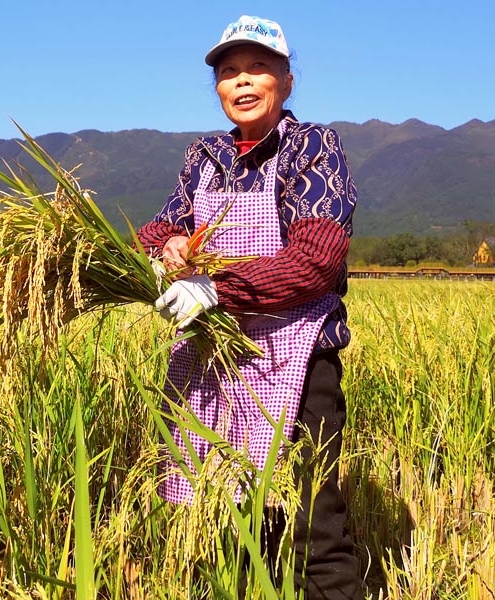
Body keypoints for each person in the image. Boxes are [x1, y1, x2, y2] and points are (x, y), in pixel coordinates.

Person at [136, 15, 361, 599]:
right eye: (229, 71)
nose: (242, 81)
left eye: (258, 68)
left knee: (313, 526)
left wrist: (216, 289)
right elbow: (158, 228)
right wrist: (168, 246)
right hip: (214, 365)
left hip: (298, 359)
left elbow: (318, 258)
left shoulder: (312, 146)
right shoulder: (204, 158)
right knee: (235, 520)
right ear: (216, 88)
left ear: (286, 82)